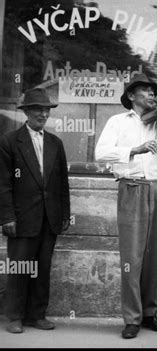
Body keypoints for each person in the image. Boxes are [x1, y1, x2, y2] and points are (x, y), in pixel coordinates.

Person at [95, 74, 157, 339]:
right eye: (146, 92)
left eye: (154, 92)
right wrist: (135, 149)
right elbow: (100, 153)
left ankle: (150, 313)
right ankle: (131, 318)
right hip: (131, 188)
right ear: (131, 96)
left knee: (156, 254)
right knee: (132, 258)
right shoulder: (117, 121)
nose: (152, 96)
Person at [0, 87, 70, 334]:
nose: (43, 114)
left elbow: (62, 184)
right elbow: (3, 184)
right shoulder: (9, 141)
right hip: (21, 218)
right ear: (26, 112)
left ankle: (37, 315)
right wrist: (6, 217)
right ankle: (15, 316)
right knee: (20, 267)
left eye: (46, 110)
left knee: (41, 268)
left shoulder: (55, 144)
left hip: (49, 218)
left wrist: (64, 215)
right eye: (38, 109)